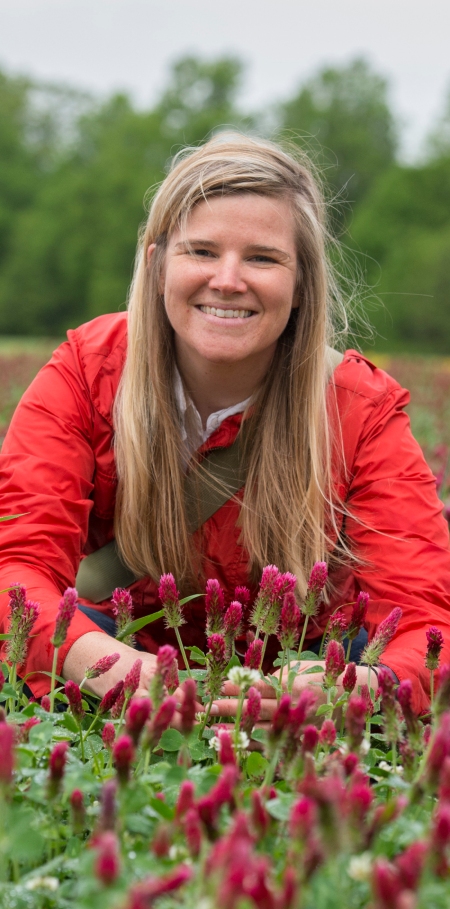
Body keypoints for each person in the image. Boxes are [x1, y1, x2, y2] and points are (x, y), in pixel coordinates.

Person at [0, 133, 449, 719]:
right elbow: (17, 567)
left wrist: (349, 689)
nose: (229, 280)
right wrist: (111, 667)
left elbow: (424, 620)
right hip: (110, 661)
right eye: (202, 251)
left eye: (262, 257)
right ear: (158, 265)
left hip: (303, 679)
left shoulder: (357, 408)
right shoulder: (89, 372)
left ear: (302, 283)